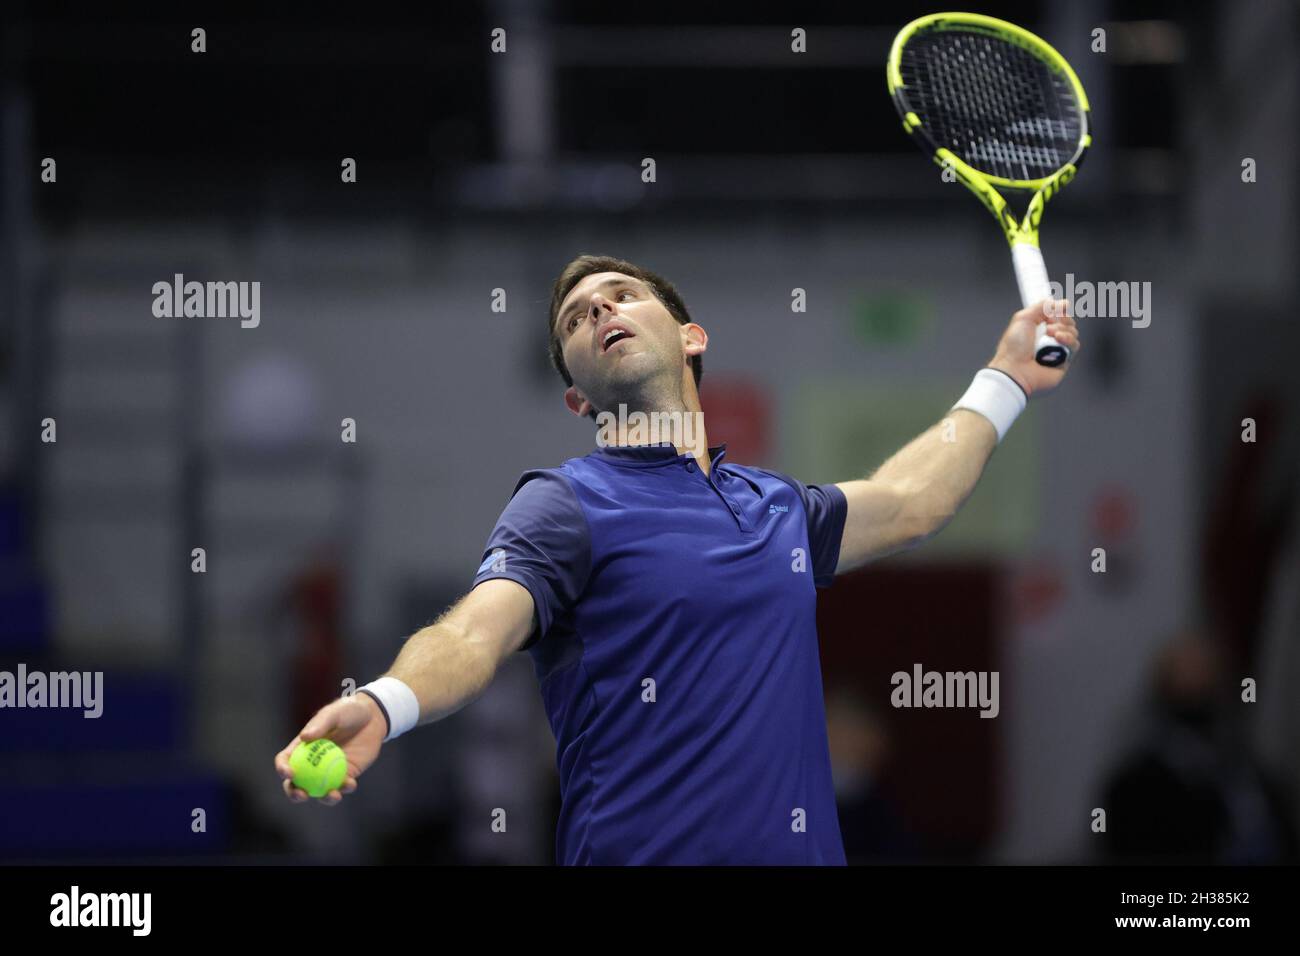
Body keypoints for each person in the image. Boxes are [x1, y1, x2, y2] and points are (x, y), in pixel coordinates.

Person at [273, 254, 1080, 864]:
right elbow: (473, 635)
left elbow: (913, 500)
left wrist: (1006, 378)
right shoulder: (564, 504)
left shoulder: (778, 511)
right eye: (575, 320)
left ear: (690, 338)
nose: (598, 310)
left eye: (621, 295)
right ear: (578, 399)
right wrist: (385, 702)